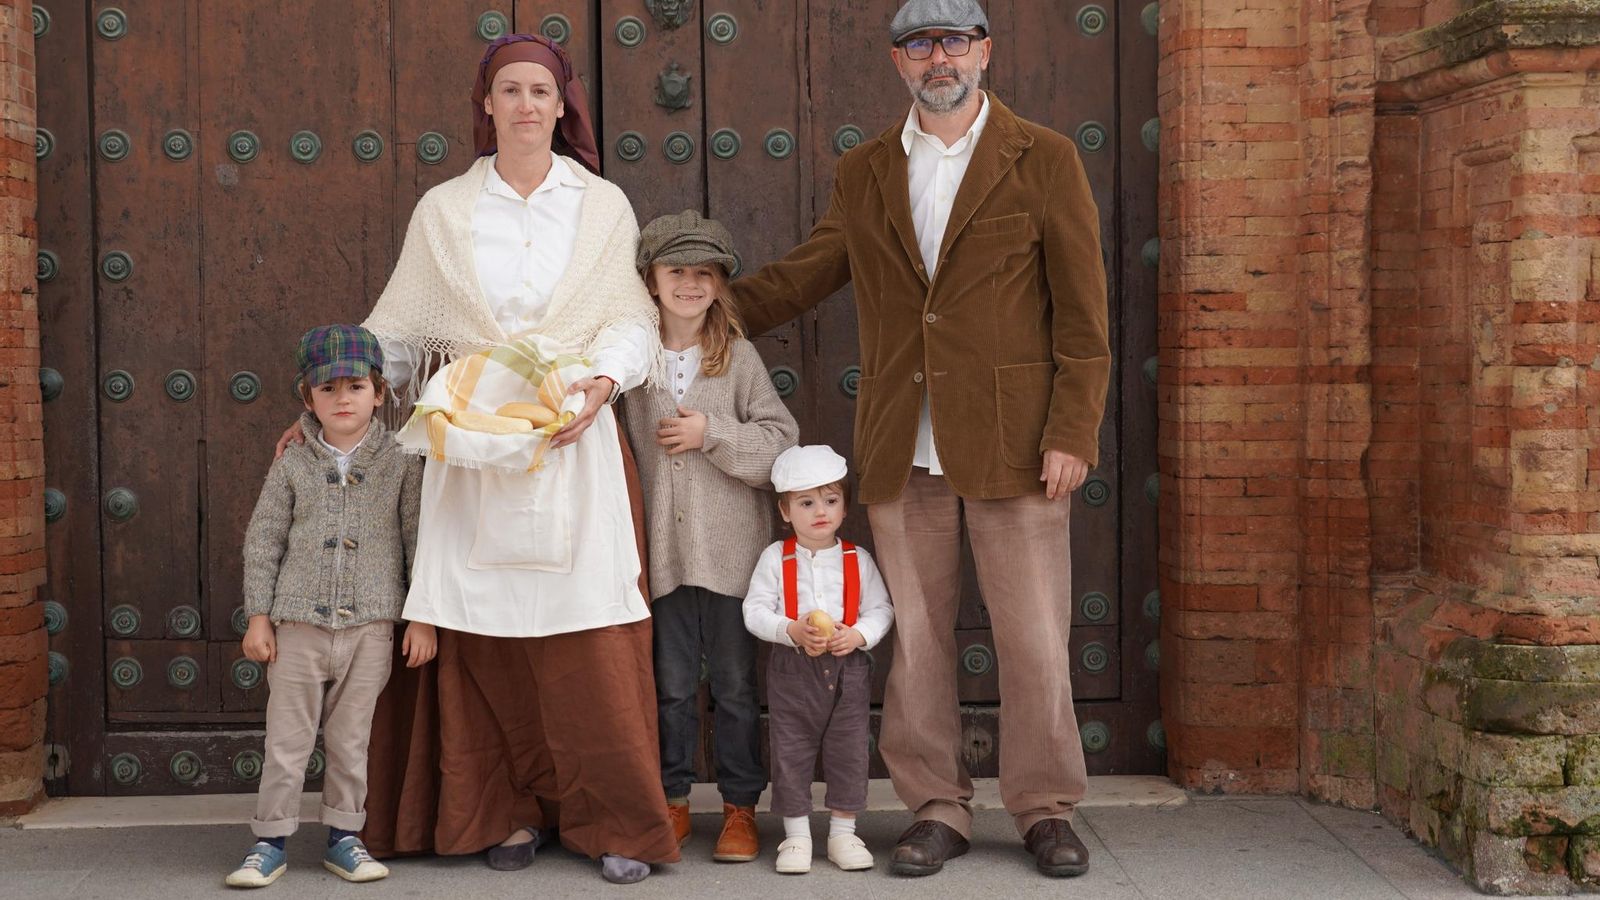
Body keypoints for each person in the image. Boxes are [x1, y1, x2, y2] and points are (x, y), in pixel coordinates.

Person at [279, 34, 680, 885]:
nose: (527, 104)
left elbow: (630, 320)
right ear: (487, 105)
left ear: (563, 105)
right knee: (480, 629)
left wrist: (602, 385)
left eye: (541, 90)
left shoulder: (603, 205)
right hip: (468, 439)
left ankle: (612, 818)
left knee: (588, 633)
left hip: (574, 435)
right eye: (510, 90)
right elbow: (398, 330)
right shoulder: (446, 210)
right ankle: (499, 809)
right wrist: (328, 399)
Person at [732, 0, 1111, 879]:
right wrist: (708, 311)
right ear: (899, 62)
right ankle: (935, 807)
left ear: (983, 50)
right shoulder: (866, 169)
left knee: (1034, 638)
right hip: (905, 442)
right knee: (920, 642)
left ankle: (1045, 806)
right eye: (917, 45)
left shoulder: (1044, 158)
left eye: (951, 41)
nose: (936, 58)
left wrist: (1073, 430)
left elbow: (1084, 319)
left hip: (1019, 445)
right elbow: (815, 266)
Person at [618, 211, 799, 862]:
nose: (689, 285)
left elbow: (782, 445)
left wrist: (712, 435)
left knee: (734, 689)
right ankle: (669, 803)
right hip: (661, 560)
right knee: (667, 689)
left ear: (720, 284)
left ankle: (739, 809)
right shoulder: (631, 363)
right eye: (676, 272)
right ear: (651, 280)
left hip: (729, 561)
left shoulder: (738, 358)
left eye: (704, 274)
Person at [226, 325, 430, 888]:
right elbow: (264, 538)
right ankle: (269, 841)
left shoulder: (402, 459)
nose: (343, 399)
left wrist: (423, 617)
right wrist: (259, 615)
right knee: (287, 742)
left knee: (350, 740)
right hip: (298, 627)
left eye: (356, 387)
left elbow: (418, 539)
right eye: (329, 389)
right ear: (307, 398)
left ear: (380, 393)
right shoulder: (293, 459)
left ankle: (345, 837)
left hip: (370, 628)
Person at [742, 445, 894, 875]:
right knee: (791, 750)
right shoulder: (775, 558)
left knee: (848, 752)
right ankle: (797, 836)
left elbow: (881, 609)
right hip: (793, 672)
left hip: (849, 672)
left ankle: (844, 833)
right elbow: (754, 611)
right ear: (786, 511)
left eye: (830, 500)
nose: (820, 511)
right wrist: (789, 630)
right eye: (806, 503)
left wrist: (859, 634)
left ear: (845, 506)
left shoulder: (857, 560)